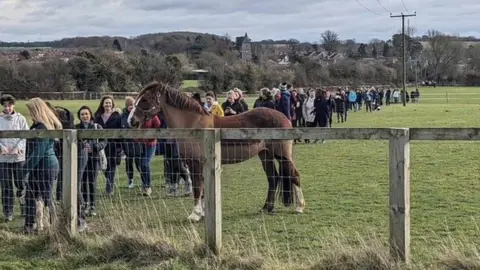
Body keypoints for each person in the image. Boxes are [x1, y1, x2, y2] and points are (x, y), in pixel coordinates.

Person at [22, 98, 62, 234]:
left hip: (46, 166)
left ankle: (53, 226)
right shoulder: (37, 126)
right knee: (30, 196)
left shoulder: (43, 128)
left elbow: (38, 152)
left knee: (46, 197)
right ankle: (30, 225)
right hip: (38, 166)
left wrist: (24, 169)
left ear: (36, 110)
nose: (29, 113)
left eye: (30, 110)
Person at [0, 95, 29, 222]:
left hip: (19, 158)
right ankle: (8, 212)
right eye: (5, 105)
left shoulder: (21, 119)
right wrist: (1, 147)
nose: (7, 108)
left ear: (13, 105)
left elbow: (26, 135)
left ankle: (25, 208)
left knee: (21, 184)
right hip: (3, 158)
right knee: (6, 186)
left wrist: (19, 148)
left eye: (9, 105)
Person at [76, 106, 107, 218]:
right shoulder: (76, 128)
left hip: (94, 158)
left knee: (92, 181)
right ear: (79, 117)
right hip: (80, 158)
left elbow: (104, 141)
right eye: (82, 114)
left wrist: (94, 147)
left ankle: (93, 205)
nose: (84, 116)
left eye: (86, 114)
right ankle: (85, 204)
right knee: (83, 181)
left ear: (90, 115)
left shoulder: (97, 127)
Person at [93, 96, 122, 195]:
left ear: (112, 104)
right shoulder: (97, 116)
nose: (108, 105)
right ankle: (110, 183)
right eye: (106, 103)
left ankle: (109, 189)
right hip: (101, 145)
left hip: (113, 145)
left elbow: (120, 131)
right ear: (102, 104)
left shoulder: (117, 116)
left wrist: (120, 146)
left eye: (109, 103)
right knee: (104, 166)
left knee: (111, 166)